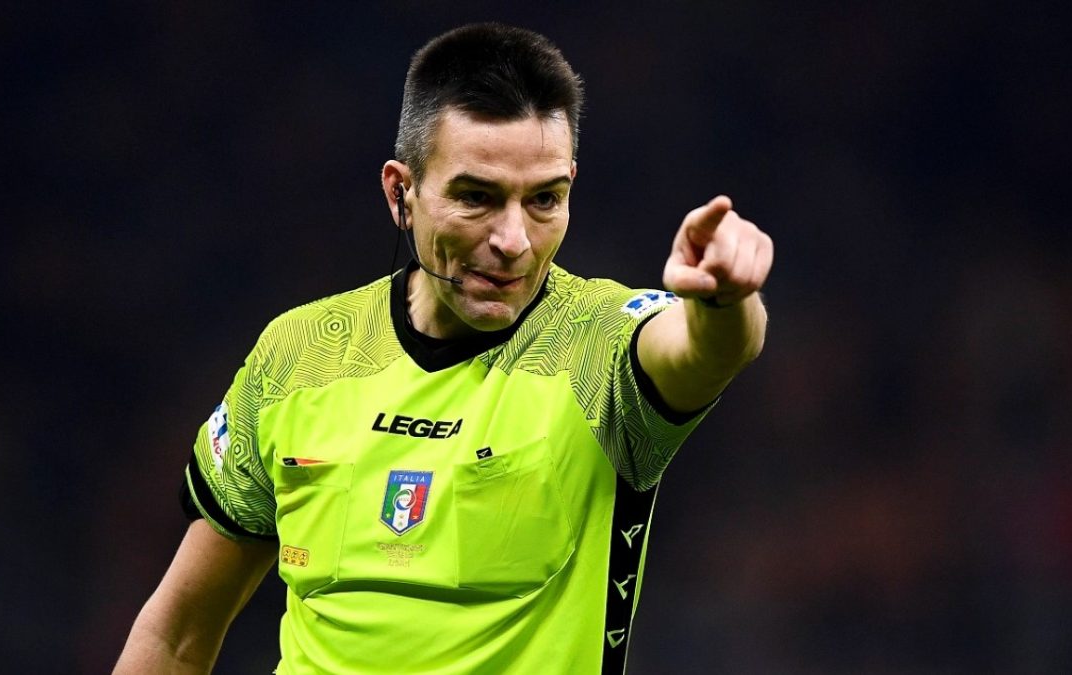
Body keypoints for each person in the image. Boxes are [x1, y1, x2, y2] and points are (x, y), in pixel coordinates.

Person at [115, 22, 772, 675]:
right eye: (477, 198)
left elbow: (705, 351)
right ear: (400, 193)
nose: (514, 239)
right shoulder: (299, 354)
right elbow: (177, 636)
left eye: (545, 199)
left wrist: (723, 299)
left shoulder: (600, 347)